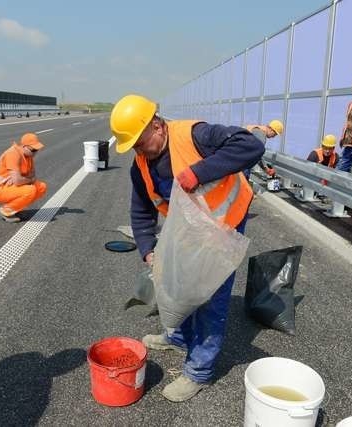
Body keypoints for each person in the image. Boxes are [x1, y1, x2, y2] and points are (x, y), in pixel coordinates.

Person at [110, 94, 264, 402]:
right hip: (187, 226)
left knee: (210, 294)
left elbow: (251, 145)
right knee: (176, 280)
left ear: (157, 125)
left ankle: (199, 371)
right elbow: (141, 213)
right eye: (134, 147)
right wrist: (148, 250)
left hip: (223, 223)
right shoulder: (139, 166)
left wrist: (200, 172)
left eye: (140, 142)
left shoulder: (196, 135)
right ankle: (178, 337)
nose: (139, 151)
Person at [0, 133, 47, 222]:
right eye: (33, 150)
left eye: (37, 150)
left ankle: (15, 209)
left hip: (10, 186)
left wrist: (22, 179)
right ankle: (6, 211)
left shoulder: (28, 156)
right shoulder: (13, 154)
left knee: (41, 187)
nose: (35, 152)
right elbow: (19, 180)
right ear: (24, 146)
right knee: (30, 190)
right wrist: (24, 179)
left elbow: (32, 175)